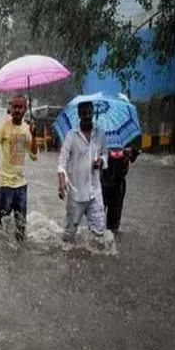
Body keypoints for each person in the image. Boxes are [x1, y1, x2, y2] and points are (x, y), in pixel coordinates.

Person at [0, 95, 38, 242]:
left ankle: (18, 260)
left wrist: (34, 137)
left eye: (20, 107)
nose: (16, 110)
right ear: (10, 108)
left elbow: (34, 156)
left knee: (21, 229)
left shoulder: (27, 129)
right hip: (5, 186)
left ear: (25, 109)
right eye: (14, 107)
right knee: (3, 228)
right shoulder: (4, 126)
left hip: (21, 186)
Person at [57, 101, 108, 243]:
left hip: (95, 192)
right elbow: (62, 161)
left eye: (89, 113)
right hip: (75, 193)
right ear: (79, 115)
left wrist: (101, 161)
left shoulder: (100, 133)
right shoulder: (71, 136)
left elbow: (105, 154)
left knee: (99, 234)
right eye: (84, 113)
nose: (87, 116)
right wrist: (61, 183)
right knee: (69, 235)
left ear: (93, 113)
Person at [101, 145, 140, 232]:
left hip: (118, 183)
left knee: (113, 225)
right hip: (101, 182)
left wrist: (129, 152)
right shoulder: (98, 136)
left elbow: (134, 154)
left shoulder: (125, 138)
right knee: (96, 221)